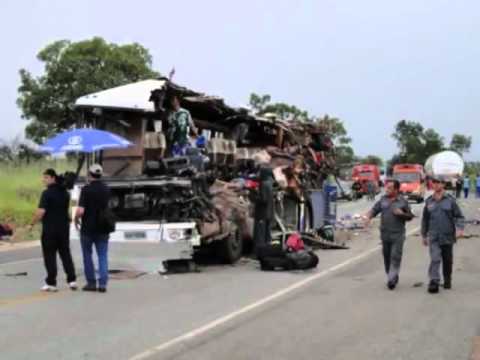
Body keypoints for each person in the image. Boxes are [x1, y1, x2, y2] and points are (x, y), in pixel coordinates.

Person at [29, 169, 77, 292]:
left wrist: (31, 224)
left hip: (50, 230)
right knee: (65, 254)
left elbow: (41, 211)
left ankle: (51, 283)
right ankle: (72, 280)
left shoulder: (46, 193)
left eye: (45, 177)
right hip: (63, 229)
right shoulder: (66, 193)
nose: (43, 180)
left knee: (50, 256)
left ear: (53, 178)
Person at [365, 180, 414, 290]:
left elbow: (410, 216)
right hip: (385, 234)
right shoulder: (383, 200)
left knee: (395, 256)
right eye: (386, 188)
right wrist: (368, 216)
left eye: (390, 188)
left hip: (398, 234)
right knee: (387, 257)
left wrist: (402, 214)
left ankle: (391, 279)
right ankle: (392, 274)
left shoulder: (403, 202)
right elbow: (375, 209)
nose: (387, 190)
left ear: (396, 190)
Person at [421, 176, 465, 294]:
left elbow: (459, 216)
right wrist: (424, 235)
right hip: (434, 236)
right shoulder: (429, 201)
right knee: (435, 258)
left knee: (447, 260)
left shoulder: (450, 200)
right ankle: (434, 281)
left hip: (447, 236)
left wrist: (460, 229)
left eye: (438, 182)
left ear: (443, 185)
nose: (435, 185)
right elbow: (425, 220)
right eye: (434, 182)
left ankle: (447, 279)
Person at [74, 164, 111, 293]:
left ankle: (91, 283)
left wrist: (76, 218)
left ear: (89, 175)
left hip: (88, 229)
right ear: (100, 175)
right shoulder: (107, 189)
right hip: (103, 228)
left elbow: (80, 211)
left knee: (87, 255)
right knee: (102, 255)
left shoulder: (86, 190)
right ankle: (103, 284)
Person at [253, 167, 275, 256]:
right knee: (267, 235)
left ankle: (260, 254)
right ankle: (267, 252)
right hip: (269, 213)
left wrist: (254, 195)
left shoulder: (263, 184)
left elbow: (263, 199)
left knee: (260, 235)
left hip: (262, 213)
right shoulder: (270, 183)